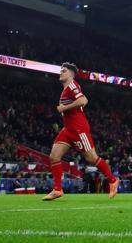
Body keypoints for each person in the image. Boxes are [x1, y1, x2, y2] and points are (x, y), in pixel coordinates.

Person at [42, 62, 120, 201]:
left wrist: (64, 108)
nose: (61, 72)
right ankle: (57, 189)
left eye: (64, 71)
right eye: (61, 70)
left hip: (78, 129)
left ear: (71, 74)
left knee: (91, 158)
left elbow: (83, 100)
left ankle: (112, 180)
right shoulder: (66, 89)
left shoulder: (72, 85)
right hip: (68, 129)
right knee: (54, 156)